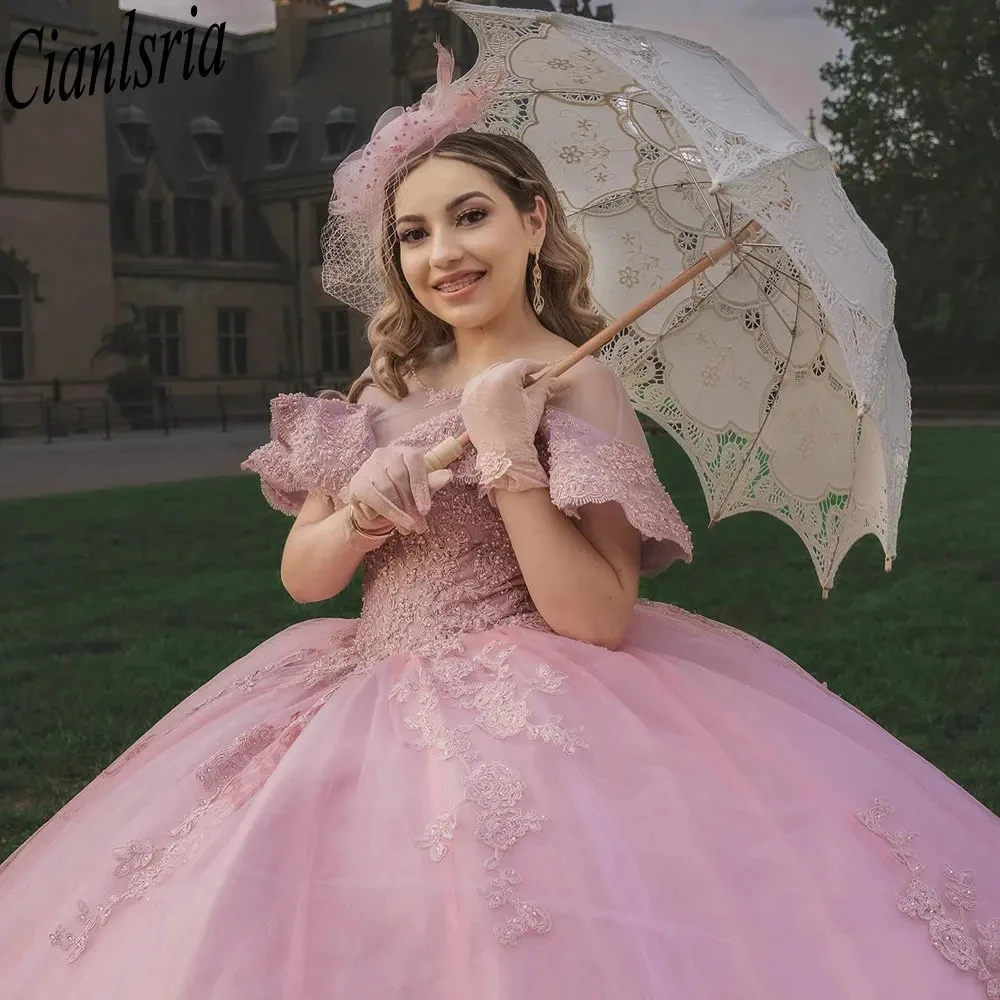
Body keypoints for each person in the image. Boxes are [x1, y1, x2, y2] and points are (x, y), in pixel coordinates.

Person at [1, 45, 998, 1000]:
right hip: (352, 697)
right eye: (415, 232)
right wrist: (361, 504)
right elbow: (305, 577)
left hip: (532, 704)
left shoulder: (582, 383)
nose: (443, 254)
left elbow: (599, 616)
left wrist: (509, 454)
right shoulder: (375, 389)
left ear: (532, 221)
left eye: (469, 217)